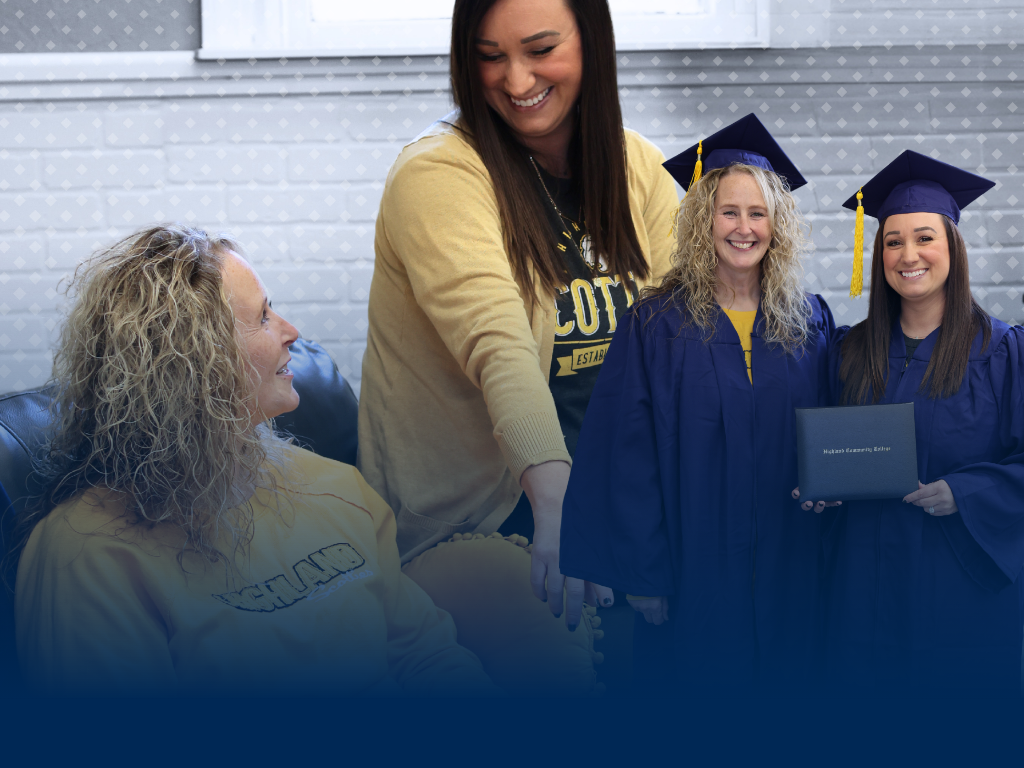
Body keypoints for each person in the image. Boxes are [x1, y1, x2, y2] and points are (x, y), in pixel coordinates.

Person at [14, 225, 497, 695]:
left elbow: (427, 655)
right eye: (264, 317)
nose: (292, 332)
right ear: (194, 364)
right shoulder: (88, 555)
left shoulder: (337, 488)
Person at [357, 0, 678, 690]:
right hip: (494, 510)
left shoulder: (637, 165)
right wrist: (560, 501)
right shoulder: (438, 175)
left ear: (591, 41)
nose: (514, 77)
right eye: (489, 54)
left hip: (617, 487)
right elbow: (496, 343)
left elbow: (682, 338)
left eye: (539, 48)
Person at [559, 113, 836, 692]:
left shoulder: (809, 320)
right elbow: (626, 457)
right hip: (692, 569)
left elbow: (832, 427)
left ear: (777, 225)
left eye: (758, 213)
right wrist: (645, 574)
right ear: (701, 221)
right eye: (728, 212)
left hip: (792, 562)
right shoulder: (655, 323)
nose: (744, 227)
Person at [813, 151, 1024, 693]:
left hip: (956, 591)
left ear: (953, 247)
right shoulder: (847, 352)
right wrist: (815, 487)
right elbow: (819, 451)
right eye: (893, 240)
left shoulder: (1001, 351)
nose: (909, 254)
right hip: (858, 591)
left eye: (925, 237)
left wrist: (967, 491)